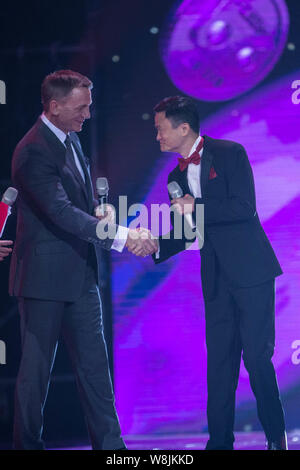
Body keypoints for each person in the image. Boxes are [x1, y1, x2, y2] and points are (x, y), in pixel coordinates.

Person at [9, 69, 157, 450]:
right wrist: (123, 236)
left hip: (81, 273)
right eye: (81, 107)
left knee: (95, 369)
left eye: (89, 107)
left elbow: (79, 206)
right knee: (36, 373)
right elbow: (60, 212)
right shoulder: (31, 151)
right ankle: (28, 445)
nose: (87, 115)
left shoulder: (70, 139)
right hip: (43, 278)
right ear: (55, 106)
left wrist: (100, 213)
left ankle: (112, 450)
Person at [152, 96, 287, 450]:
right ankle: (219, 443)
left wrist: (195, 205)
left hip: (251, 271)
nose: (158, 137)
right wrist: (154, 245)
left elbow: (244, 207)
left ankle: (276, 439)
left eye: (161, 129)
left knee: (257, 358)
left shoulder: (230, 153)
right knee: (220, 366)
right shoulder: (174, 176)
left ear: (183, 128)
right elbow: (187, 231)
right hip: (215, 278)